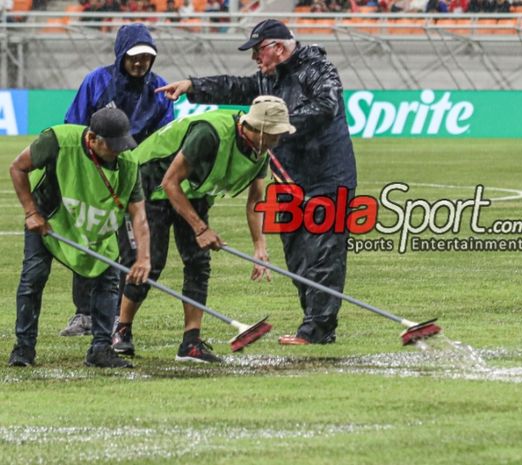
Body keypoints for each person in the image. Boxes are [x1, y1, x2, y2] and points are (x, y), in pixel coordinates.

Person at [156, 19, 358, 346]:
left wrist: (279, 123)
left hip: (328, 178)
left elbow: (327, 105)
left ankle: (317, 330)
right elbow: (236, 87)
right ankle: (316, 323)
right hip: (291, 180)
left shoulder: (318, 68)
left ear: (278, 47)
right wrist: (193, 86)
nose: (255, 59)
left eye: (258, 51)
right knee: (297, 256)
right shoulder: (269, 80)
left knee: (324, 253)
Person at [111, 96, 294, 363]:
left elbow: (256, 201)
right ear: (258, 129)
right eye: (275, 134)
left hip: (192, 191)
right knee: (151, 261)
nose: (278, 140)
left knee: (198, 262)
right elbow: (170, 182)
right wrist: (200, 228)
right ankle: (121, 330)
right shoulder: (209, 134)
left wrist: (260, 247)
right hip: (148, 183)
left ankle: (190, 343)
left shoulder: (259, 152)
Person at [7, 108, 151, 368]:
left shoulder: (128, 163)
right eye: (112, 145)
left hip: (96, 229)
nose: (119, 151)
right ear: (93, 139)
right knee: (33, 279)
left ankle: (100, 349)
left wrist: (143, 257)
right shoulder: (58, 141)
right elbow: (17, 167)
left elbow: (138, 214)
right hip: (49, 222)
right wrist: (30, 212)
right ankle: (23, 349)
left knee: (107, 284)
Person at [60, 23, 174, 337]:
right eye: (134, 56)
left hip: (138, 177)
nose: (140, 63)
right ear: (121, 54)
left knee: (130, 246)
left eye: (146, 57)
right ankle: (83, 313)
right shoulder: (96, 81)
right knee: (90, 242)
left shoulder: (160, 89)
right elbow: (74, 126)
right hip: (94, 174)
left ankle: (115, 315)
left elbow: (167, 137)